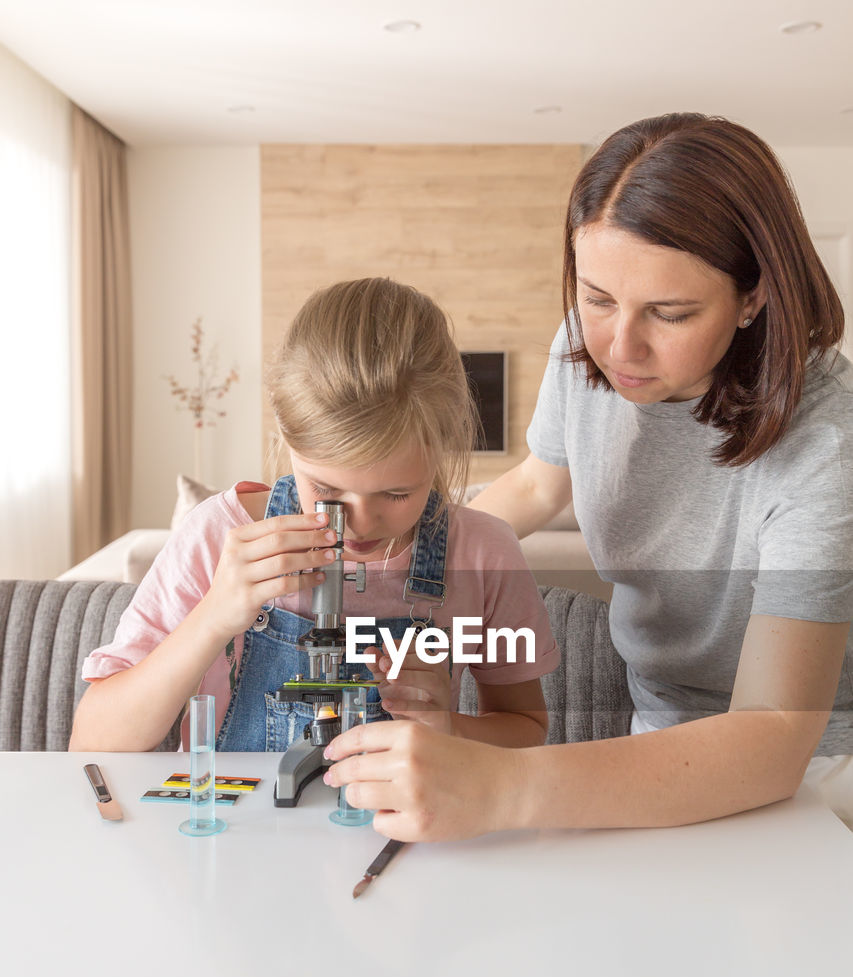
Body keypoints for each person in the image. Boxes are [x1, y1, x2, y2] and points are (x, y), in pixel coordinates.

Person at [323, 112, 853, 842]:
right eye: (597, 297)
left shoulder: (824, 443)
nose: (617, 346)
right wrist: (397, 560)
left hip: (811, 777)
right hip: (653, 735)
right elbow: (540, 486)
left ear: (753, 295)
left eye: (669, 312)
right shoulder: (585, 345)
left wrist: (500, 787)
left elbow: (770, 734)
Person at [70, 278, 558, 753]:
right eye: (325, 489)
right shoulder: (217, 535)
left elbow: (526, 728)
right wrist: (212, 619)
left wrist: (444, 726)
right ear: (287, 442)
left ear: (444, 451)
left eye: (395, 493)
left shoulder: (484, 554)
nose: (361, 524)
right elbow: (93, 743)